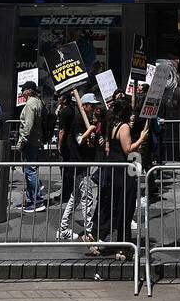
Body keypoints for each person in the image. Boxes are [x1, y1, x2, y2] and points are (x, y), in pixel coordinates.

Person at [94, 95, 146, 258]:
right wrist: (141, 139)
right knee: (126, 207)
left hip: (115, 169)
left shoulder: (112, 125)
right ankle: (123, 247)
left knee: (115, 205)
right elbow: (128, 149)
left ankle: (108, 239)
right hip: (123, 171)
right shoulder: (123, 127)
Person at [57, 92, 100, 241]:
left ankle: (63, 228)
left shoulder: (87, 119)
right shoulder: (77, 119)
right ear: (85, 106)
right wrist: (90, 130)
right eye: (92, 105)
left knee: (75, 197)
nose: (94, 108)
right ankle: (89, 233)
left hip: (83, 162)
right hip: (78, 163)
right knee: (86, 198)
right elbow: (80, 140)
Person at [15, 81, 45, 212]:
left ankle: (37, 201)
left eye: (23, 89)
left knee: (30, 170)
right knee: (30, 170)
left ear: (29, 90)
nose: (22, 92)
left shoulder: (30, 104)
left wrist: (22, 140)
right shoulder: (38, 102)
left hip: (30, 142)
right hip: (35, 140)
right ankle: (29, 199)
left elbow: (28, 125)